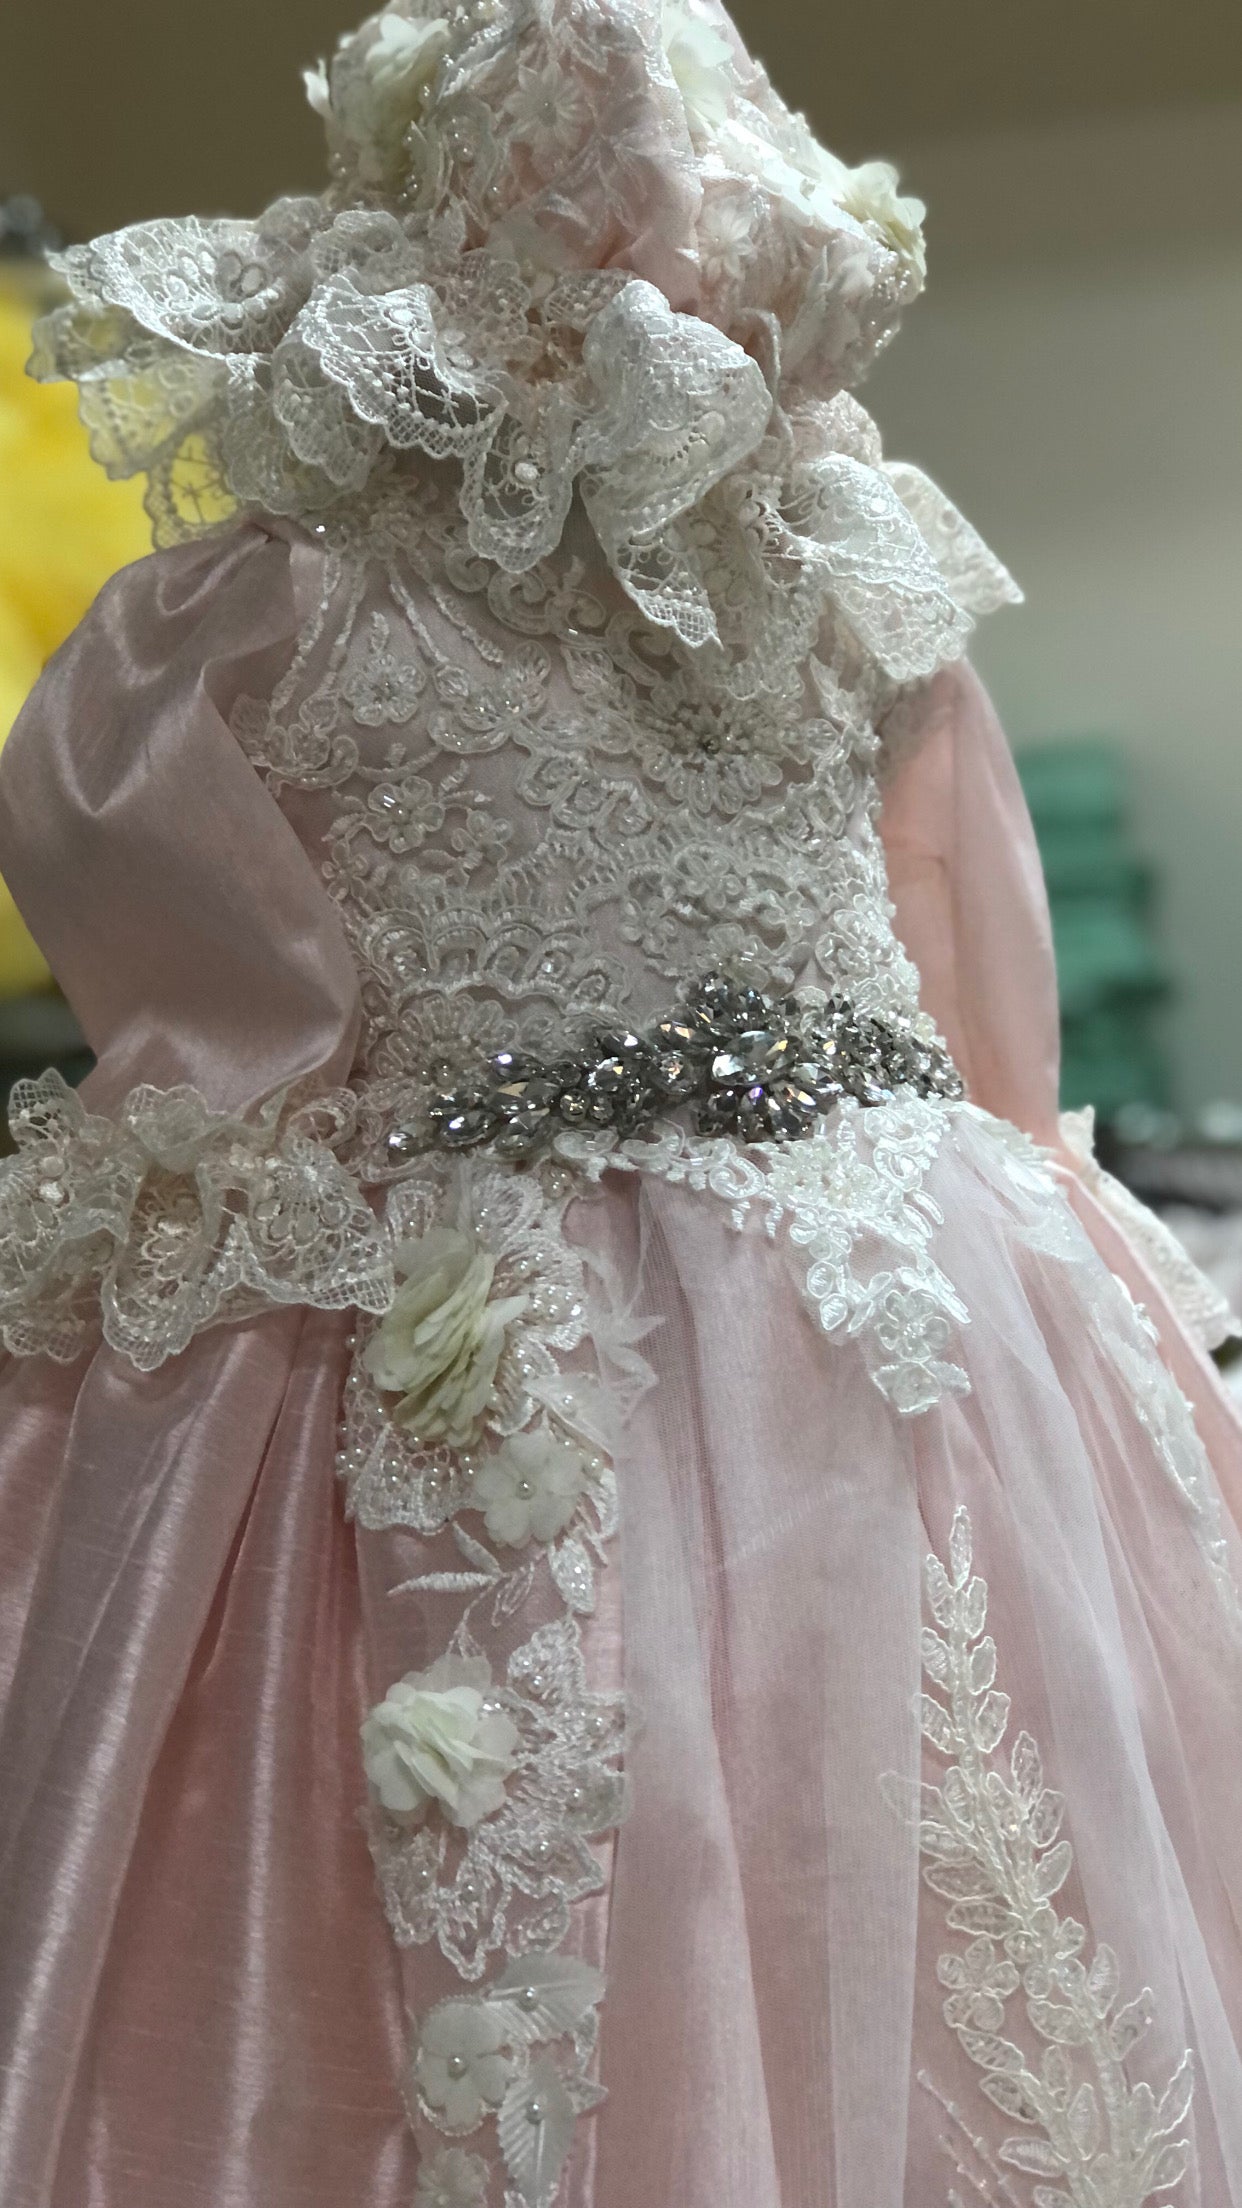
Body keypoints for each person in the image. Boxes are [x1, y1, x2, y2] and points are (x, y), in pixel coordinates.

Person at [2, 3, 1241, 2203]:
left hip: (771, 1317)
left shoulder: (280, 616)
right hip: (864, 1306)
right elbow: (990, 1006)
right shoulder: (775, 574)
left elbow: (206, 1044)